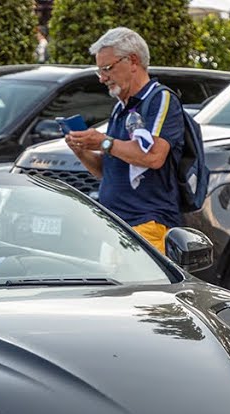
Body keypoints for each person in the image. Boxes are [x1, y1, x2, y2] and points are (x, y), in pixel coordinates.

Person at [65, 27, 186, 254]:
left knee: (142, 289)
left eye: (107, 69)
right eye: (99, 71)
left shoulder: (160, 98)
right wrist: (81, 149)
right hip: (115, 224)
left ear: (132, 61)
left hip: (147, 224)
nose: (102, 78)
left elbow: (153, 157)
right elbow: (107, 171)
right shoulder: (120, 107)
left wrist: (103, 142)